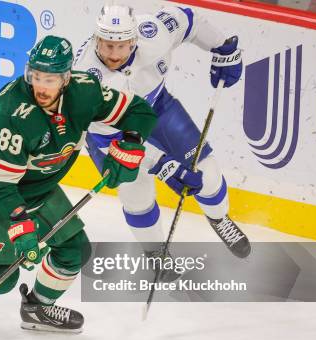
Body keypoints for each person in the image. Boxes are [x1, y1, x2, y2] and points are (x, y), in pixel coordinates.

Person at [0, 35, 157, 333]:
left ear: (66, 78)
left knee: (74, 251)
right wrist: (22, 226)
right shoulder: (13, 112)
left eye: (49, 79)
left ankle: (38, 307)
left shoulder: (84, 92)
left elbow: (138, 111)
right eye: (36, 77)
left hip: (39, 187)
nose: (41, 87)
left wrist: (132, 144)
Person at [73, 3, 251, 281]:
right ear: (97, 39)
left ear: (134, 39)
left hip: (158, 109)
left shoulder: (152, 32)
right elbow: (113, 141)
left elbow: (188, 20)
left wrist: (223, 47)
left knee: (209, 174)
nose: (114, 54)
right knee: (137, 196)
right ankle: (156, 251)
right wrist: (164, 166)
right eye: (107, 46)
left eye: (122, 46)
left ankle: (219, 217)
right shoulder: (84, 81)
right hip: (111, 135)